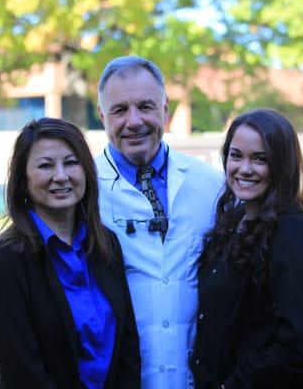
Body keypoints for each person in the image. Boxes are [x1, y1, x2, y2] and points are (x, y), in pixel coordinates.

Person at [0, 118, 140, 389]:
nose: (61, 175)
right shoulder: (2, 261)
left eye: (71, 162)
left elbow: (127, 345)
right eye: (45, 165)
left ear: (86, 170)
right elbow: (23, 372)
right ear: (23, 180)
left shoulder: (106, 245)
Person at [95, 56, 224, 388]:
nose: (134, 121)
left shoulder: (212, 185)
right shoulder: (83, 191)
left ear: (165, 111)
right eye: (120, 110)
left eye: (146, 106)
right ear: (102, 116)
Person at [190, 109, 303, 388]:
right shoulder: (231, 223)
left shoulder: (293, 234)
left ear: (281, 164)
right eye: (236, 155)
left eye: (260, 159)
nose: (244, 168)